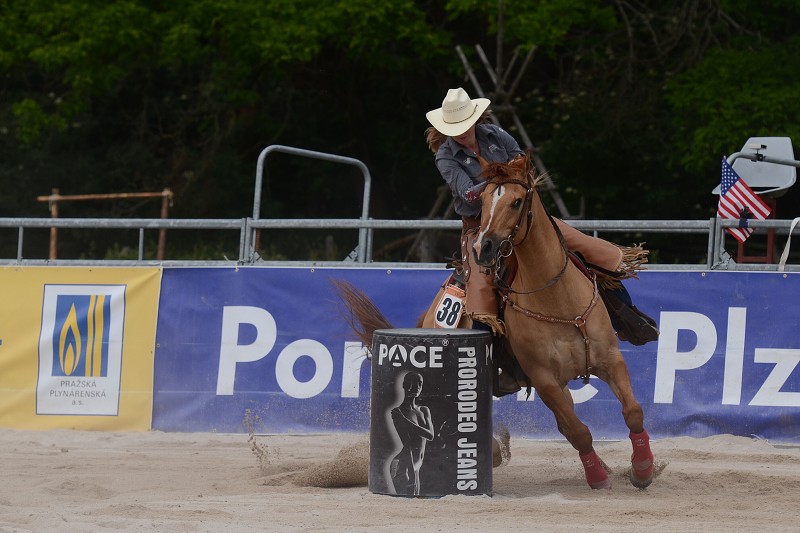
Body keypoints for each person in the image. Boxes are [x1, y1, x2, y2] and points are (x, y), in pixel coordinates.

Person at [424, 88, 658, 392]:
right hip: (480, 224)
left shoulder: (495, 135)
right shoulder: (445, 156)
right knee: (480, 286)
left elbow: (523, 162)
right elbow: (468, 193)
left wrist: (508, 181)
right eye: (454, 130)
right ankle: (487, 363)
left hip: (524, 215)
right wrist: (504, 178)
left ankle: (628, 316)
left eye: (464, 125)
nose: (461, 134)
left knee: (588, 248)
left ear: (474, 119)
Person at [388, 371, 434, 496]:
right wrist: (413, 474)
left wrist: (405, 422)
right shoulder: (398, 412)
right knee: (405, 502)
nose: (416, 387)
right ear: (404, 385)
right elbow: (407, 443)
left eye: (420, 383)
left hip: (415, 465)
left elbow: (430, 435)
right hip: (404, 464)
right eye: (412, 383)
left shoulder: (424, 410)